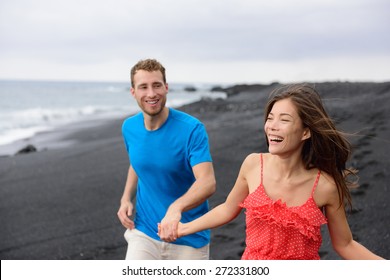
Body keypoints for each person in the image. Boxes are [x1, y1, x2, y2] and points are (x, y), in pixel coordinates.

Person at [159, 84, 384, 260]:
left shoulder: (324, 186)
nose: (272, 126)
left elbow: (344, 244)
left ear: (306, 132)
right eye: (270, 118)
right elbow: (228, 209)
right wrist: (183, 228)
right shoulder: (253, 164)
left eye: (284, 120)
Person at [117, 58, 216, 260]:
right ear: (133, 92)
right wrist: (126, 198)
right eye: (143, 87)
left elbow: (207, 182)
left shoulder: (191, 129)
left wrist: (175, 208)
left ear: (167, 87)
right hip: (144, 231)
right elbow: (137, 162)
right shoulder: (129, 127)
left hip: (188, 234)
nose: (151, 94)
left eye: (157, 85)